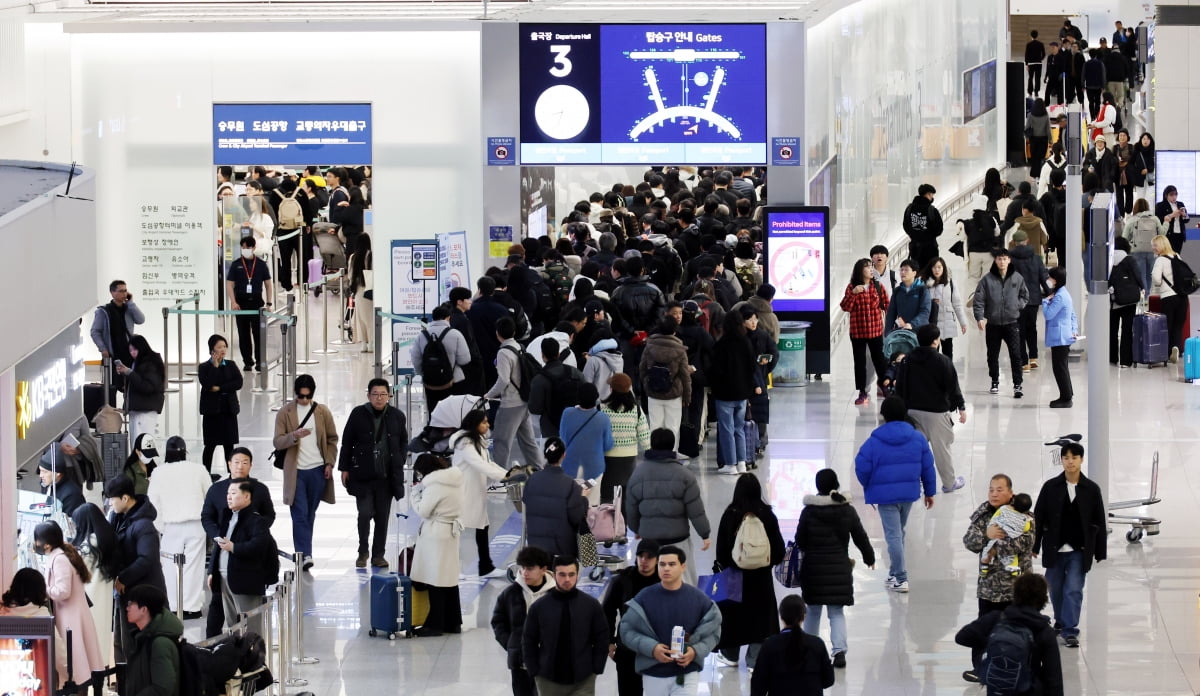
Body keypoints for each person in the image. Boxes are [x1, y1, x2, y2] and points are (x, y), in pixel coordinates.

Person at [793, 470, 873, 671]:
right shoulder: (847, 510)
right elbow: (860, 536)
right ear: (835, 484)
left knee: (812, 611)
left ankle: (810, 650)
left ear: (817, 486)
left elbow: (800, 541)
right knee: (836, 613)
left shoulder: (809, 511)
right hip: (839, 568)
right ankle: (838, 652)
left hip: (813, 569)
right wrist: (869, 557)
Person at [854, 397, 936, 593]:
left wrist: (869, 484)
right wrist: (930, 492)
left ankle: (901, 577)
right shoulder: (918, 438)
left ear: (884, 415)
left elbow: (861, 466)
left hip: (885, 496)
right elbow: (928, 466)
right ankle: (894, 573)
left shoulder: (874, 441)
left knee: (893, 535)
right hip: (908, 494)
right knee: (898, 532)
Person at [618, 545, 723, 696]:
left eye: (672, 564)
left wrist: (695, 651)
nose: (666, 568)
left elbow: (714, 631)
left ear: (683, 566)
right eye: (662, 564)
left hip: (686, 672)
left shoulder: (698, 599)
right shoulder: (644, 597)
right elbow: (626, 630)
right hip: (653, 672)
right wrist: (652, 648)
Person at [961, 473, 1036, 683]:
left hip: (1016, 588)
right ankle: (981, 668)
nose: (994, 494)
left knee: (1019, 629)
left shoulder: (1023, 514)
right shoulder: (983, 514)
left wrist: (997, 539)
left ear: (1010, 492)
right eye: (991, 489)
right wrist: (987, 534)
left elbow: (1025, 544)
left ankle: (1022, 668)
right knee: (984, 629)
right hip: (989, 588)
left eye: (999, 490)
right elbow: (969, 542)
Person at [1033, 442, 1106, 649]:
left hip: (1079, 550)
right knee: (1055, 588)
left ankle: (1070, 629)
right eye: (1066, 457)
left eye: (1074, 457)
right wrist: (1035, 545)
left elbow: (1099, 520)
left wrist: (1100, 551)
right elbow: (1039, 517)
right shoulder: (1050, 487)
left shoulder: (1091, 489)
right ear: (1062, 461)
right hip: (1054, 547)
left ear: (1081, 459)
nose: (1070, 461)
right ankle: (1060, 620)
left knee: (1073, 589)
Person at [200, 447, 275, 637]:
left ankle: (253, 659)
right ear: (228, 464)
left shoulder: (259, 490)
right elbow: (207, 516)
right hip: (223, 561)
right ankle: (214, 647)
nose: (240, 466)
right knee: (220, 609)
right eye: (236, 462)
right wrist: (219, 537)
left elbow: (269, 516)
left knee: (249, 617)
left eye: (244, 462)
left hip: (247, 568)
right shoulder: (217, 490)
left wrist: (251, 528)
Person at [713, 474, 786, 671]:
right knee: (761, 618)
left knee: (731, 616)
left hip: (734, 576)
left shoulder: (731, 514)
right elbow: (779, 551)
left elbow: (721, 552)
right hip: (761, 578)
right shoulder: (767, 515)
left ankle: (730, 655)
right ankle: (755, 659)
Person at [625, 429, 711, 586]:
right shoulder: (684, 475)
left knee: (649, 583)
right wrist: (704, 533)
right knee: (685, 581)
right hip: (678, 540)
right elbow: (695, 508)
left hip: (649, 540)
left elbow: (631, 506)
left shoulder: (638, 474)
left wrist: (635, 528)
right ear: (672, 446)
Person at [954, 573, 1064, 696]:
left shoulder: (996, 618)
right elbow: (1054, 679)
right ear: (1043, 600)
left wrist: (990, 645)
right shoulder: (1044, 630)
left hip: (997, 689)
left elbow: (962, 637)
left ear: (1015, 594)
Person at [339, 378, 407, 569]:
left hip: (386, 476)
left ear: (389, 396)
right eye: (375, 394)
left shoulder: (397, 416)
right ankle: (363, 551)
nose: (379, 398)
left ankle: (378, 554)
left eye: (383, 394)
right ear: (368, 395)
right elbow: (347, 442)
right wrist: (344, 468)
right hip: (363, 474)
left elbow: (403, 440)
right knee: (365, 512)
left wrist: (400, 459)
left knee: (382, 517)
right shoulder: (358, 414)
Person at [273, 374, 338, 570]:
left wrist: (329, 463)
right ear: (295, 394)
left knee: (310, 513)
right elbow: (277, 441)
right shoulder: (285, 413)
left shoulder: (322, 412)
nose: (304, 400)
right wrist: (294, 436)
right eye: (301, 396)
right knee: (299, 513)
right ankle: (305, 554)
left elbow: (332, 439)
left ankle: (304, 551)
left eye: (307, 396)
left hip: (317, 469)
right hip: (296, 472)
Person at [522, 555, 610, 696]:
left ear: (578, 574)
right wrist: (534, 670)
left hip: (583, 679)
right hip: (548, 680)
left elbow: (602, 637)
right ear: (553, 574)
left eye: (571, 574)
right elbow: (529, 640)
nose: (567, 580)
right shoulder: (539, 607)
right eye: (562, 574)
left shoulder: (591, 605)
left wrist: (596, 668)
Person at [146, 436, 210, 619]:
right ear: (185, 452)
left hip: (171, 526)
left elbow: (153, 502)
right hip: (196, 524)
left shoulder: (158, 472)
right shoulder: (199, 470)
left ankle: (173, 606)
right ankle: (192, 606)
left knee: (170, 567)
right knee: (194, 567)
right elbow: (209, 495)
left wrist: (160, 527)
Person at [104, 474, 166, 660]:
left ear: (125, 498)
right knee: (124, 641)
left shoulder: (143, 525)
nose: (110, 504)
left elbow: (147, 559)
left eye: (112, 500)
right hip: (128, 593)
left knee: (139, 644)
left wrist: (123, 578)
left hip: (143, 593)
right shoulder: (120, 518)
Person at [34, 521, 102, 689]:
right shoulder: (61, 554)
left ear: (47, 544)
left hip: (70, 617)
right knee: (77, 665)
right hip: (71, 615)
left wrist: (44, 589)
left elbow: (63, 591)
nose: (35, 544)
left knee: (75, 665)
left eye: (37, 540)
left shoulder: (59, 560)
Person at [409, 453, 465, 636]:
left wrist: (414, 495)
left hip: (436, 533)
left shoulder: (434, 485)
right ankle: (453, 622)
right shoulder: (455, 479)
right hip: (451, 531)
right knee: (449, 579)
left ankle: (435, 625)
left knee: (435, 579)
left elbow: (423, 511)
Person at [452, 409, 511, 578]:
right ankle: (453, 569)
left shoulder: (478, 441)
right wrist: (505, 476)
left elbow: (489, 464)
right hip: (463, 492)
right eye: (484, 422)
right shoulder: (465, 443)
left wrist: (508, 474)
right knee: (457, 529)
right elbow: (479, 464)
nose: (488, 424)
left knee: (482, 528)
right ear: (474, 424)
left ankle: (486, 566)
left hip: (476, 491)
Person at [492, 546, 556, 696]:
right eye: (522, 568)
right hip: (520, 663)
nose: (525, 573)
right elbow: (498, 622)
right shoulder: (510, 594)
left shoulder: (556, 595)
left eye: (530, 568)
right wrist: (511, 644)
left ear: (543, 569)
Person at [602, 541, 661, 696]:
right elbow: (607, 610)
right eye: (641, 556)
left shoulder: (664, 582)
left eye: (649, 557)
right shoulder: (622, 580)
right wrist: (609, 641)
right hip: (627, 648)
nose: (644, 560)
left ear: (657, 559)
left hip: (657, 649)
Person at [749, 595, 836, 696]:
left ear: (781, 616)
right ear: (804, 616)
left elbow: (758, 685)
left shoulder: (770, 645)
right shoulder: (817, 644)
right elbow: (828, 680)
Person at [488, 317, 543, 469]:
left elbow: (503, 380)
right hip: (523, 400)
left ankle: (499, 477)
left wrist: (488, 396)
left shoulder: (503, 352)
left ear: (498, 333)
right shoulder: (519, 347)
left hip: (510, 404)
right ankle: (539, 469)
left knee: (501, 441)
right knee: (528, 441)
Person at [974, 248, 1029, 398]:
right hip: (993, 324)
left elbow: (1025, 296)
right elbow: (978, 300)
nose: (1002, 262)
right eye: (999, 259)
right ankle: (995, 381)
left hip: (1012, 323)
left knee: (1016, 354)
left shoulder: (1017, 278)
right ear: (995, 261)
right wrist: (980, 317)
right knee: (992, 355)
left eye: (1005, 259)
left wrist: (1017, 306)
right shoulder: (987, 280)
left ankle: (1017, 384)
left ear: (1009, 260)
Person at [0, 569, 68, 689]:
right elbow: (59, 654)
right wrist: (68, 678)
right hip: (34, 683)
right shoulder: (42, 616)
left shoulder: (3, 612)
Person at [709, 308, 757, 474]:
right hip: (742, 393)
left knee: (726, 429)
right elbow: (752, 367)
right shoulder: (746, 343)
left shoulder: (722, 345)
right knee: (739, 428)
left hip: (725, 394)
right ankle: (742, 462)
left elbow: (716, 370)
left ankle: (730, 464)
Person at [71, 503, 119, 668]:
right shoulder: (105, 541)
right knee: (101, 644)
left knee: (88, 648)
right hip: (103, 602)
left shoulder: (87, 547)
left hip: (88, 602)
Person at [523, 438, 589, 559]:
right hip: (562, 547)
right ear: (564, 455)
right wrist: (583, 499)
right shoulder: (570, 485)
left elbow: (527, 502)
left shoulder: (531, 480)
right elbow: (577, 517)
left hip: (535, 545)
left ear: (545, 454)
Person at [410, 304, 472, 415]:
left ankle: (435, 431)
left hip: (430, 383)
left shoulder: (422, 336)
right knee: (453, 413)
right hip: (453, 381)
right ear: (448, 318)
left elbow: (416, 359)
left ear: (432, 318)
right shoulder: (455, 334)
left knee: (433, 412)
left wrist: (425, 373)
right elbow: (465, 359)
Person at [122, 585, 183, 696]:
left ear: (144, 609)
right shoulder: (144, 638)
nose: (127, 608)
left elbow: (162, 688)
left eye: (131, 604)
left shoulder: (160, 644)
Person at [638, 316, 691, 444]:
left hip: (654, 392)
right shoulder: (679, 349)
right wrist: (687, 396)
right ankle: (671, 455)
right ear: (675, 330)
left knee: (655, 426)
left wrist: (646, 384)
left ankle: (656, 455)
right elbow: (685, 375)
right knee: (673, 427)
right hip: (674, 394)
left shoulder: (649, 346)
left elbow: (642, 369)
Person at [599, 373, 650, 504]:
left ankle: (606, 522)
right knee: (627, 497)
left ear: (611, 389)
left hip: (607, 457)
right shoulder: (636, 409)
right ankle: (626, 522)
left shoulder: (602, 409)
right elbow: (645, 438)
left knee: (607, 495)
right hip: (629, 458)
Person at [197, 334, 243, 476]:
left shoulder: (231, 364)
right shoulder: (204, 367)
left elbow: (238, 382)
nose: (222, 349)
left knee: (229, 446)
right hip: (212, 412)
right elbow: (208, 384)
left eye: (224, 346)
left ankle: (232, 474)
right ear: (212, 350)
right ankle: (206, 474)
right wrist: (215, 367)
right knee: (210, 445)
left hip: (228, 410)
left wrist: (220, 388)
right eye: (219, 347)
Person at [225, 235, 273, 372]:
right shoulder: (236, 265)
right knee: (243, 334)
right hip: (241, 303)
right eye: (243, 247)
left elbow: (268, 284)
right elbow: (229, 285)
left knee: (258, 334)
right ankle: (247, 361)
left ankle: (260, 361)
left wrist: (269, 303)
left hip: (257, 303)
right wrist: (233, 302)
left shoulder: (262, 265)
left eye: (248, 247)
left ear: (254, 248)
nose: (245, 250)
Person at [90, 279, 145, 390]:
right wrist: (103, 348)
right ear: (112, 292)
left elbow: (141, 320)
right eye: (121, 291)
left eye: (125, 291)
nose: (124, 293)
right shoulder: (103, 311)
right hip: (112, 354)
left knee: (130, 384)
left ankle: (128, 406)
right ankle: (111, 407)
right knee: (112, 386)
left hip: (129, 352)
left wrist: (131, 303)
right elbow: (95, 331)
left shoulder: (129, 308)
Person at [529, 336, 586, 439]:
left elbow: (534, 408)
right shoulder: (575, 373)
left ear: (543, 355)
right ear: (558, 353)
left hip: (550, 428)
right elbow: (587, 396)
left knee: (552, 453)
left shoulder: (539, 379)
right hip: (575, 424)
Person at [1009, 229, 1049, 372]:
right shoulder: (1037, 258)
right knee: (1032, 328)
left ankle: (1023, 362)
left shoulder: (1009, 259)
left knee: (1019, 330)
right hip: (1033, 300)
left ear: (1014, 243)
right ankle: (1034, 357)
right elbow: (1044, 278)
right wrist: (1051, 294)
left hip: (1016, 301)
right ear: (1027, 241)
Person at [115, 335, 165, 446]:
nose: (132, 353)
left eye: (135, 349)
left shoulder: (150, 363)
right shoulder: (136, 363)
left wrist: (130, 373)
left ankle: (144, 464)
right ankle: (140, 463)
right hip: (138, 410)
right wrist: (124, 375)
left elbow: (148, 386)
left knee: (143, 447)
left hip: (145, 411)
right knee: (140, 446)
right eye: (130, 350)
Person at [1042, 266, 1077, 407]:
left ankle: (1066, 398)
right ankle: (1067, 393)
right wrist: (1074, 330)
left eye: (1050, 277)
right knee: (1062, 367)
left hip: (1060, 337)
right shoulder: (1063, 293)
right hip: (1064, 335)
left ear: (1055, 280)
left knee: (1059, 368)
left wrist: (1045, 301)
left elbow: (1048, 314)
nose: (1048, 280)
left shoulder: (1060, 296)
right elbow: (1073, 315)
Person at [1151, 234, 1189, 363]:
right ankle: (1176, 347)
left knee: (1167, 326)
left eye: (1155, 245)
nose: (1153, 248)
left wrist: (1159, 284)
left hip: (1168, 297)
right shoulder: (1177, 256)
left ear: (1161, 245)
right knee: (1178, 326)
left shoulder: (1160, 260)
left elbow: (1156, 279)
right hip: (1183, 297)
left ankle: (1166, 353)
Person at [920, 257, 968, 360]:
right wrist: (932, 302)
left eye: (939, 267)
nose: (937, 270)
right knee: (932, 354)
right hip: (932, 323)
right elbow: (921, 303)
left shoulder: (950, 283)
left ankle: (948, 374)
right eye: (934, 267)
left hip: (947, 322)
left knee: (948, 354)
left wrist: (963, 323)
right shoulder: (926, 284)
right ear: (930, 269)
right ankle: (934, 375)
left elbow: (957, 304)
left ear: (943, 269)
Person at [1108, 236, 1143, 368]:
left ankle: (1112, 358)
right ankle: (1125, 361)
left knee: (1112, 330)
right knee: (1127, 330)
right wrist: (1143, 287)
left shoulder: (1109, 259)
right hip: (1129, 300)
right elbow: (1138, 276)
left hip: (1113, 300)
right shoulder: (1130, 259)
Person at [978, 493, 1034, 575]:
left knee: (988, 551)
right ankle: (1013, 569)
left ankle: (984, 566)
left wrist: (991, 527)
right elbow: (1026, 528)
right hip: (1010, 542)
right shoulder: (1025, 520)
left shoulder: (1004, 509)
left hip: (997, 537)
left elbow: (995, 518)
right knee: (1012, 555)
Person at [1124, 197, 1165, 291]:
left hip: (1137, 251)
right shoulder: (1155, 219)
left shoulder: (1132, 220)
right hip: (1153, 250)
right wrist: (1166, 223)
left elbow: (1125, 238)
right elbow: (1162, 234)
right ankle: (1149, 296)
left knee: (1140, 275)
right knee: (1150, 275)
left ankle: (1143, 297)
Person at [883, 260, 932, 335]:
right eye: (901, 270)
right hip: (902, 331)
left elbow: (925, 312)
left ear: (914, 273)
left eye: (906, 270)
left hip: (920, 332)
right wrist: (887, 334)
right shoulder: (897, 291)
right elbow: (891, 314)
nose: (903, 272)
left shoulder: (923, 290)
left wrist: (911, 324)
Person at [902, 184, 943, 269]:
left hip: (915, 249)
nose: (932, 197)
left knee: (916, 273)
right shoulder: (932, 210)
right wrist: (928, 236)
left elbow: (906, 226)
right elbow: (939, 229)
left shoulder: (909, 208)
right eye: (932, 195)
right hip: (930, 250)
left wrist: (915, 235)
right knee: (930, 274)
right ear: (928, 194)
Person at [347, 233, 374, 352]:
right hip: (369, 288)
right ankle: (372, 343)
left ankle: (363, 343)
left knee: (361, 318)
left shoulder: (353, 257)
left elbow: (350, 275)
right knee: (370, 318)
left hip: (357, 289)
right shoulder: (370, 255)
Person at [1155, 184, 1190, 254]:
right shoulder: (1160, 205)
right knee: (1167, 255)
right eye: (1171, 195)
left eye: (1175, 194)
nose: (1174, 197)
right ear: (1166, 195)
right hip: (1168, 234)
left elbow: (1186, 220)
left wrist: (1184, 215)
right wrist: (1172, 215)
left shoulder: (1180, 204)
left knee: (1177, 255)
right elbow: (1158, 220)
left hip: (1179, 234)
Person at [1026, 99, 1051, 179]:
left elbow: (1027, 127)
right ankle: (1041, 173)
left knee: (1034, 157)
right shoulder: (1046, 116)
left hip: (1033, 139)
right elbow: (1048, 129)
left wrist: (1027, 137)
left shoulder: (1030, 115)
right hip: (1043, 139)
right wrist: (1051, 140)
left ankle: (1034, 173)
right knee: (1041, 157)